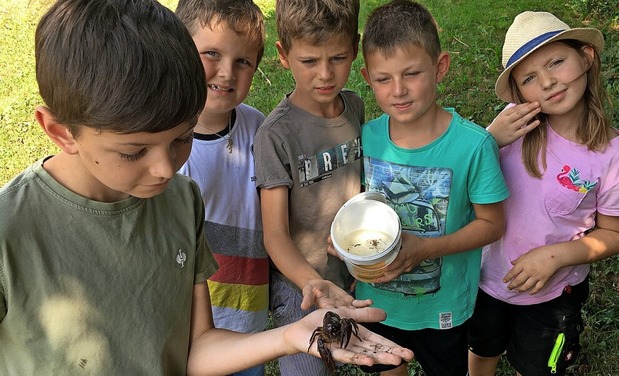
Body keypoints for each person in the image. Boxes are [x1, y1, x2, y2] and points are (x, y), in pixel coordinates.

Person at [0, 0, 417, 374]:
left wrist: (288, 337)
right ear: (61, 131)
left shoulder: (181, 200)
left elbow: (197, 348)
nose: (165, 168)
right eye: (134, 151)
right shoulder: (10, 232)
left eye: (182, 139)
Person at [467, 11, 619, 376]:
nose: (547, 82)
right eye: (529, 78)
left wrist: (554, 256)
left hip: (551, 295)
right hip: (485, 277)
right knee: (482, 346)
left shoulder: (616, 157)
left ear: (587, 56)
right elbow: (461, 178)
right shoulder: (512, 126)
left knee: (536, 365)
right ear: (519, 93)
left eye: (556, 62)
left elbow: (616, 232)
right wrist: (488, 141)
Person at [346, 1, 510, 375]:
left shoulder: (474, 145)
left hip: (444, 309)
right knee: (387, 367)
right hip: (377, 302)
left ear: (440, 67)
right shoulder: (365, 139)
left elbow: (493, 224)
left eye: (412, 73)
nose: (398, 90)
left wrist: (427, 249)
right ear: (367, 77)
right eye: (383, 78)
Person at [252, 0, 367, 374]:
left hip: (351, 273)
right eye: (309, 61)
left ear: (355, 46)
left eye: (338, 57)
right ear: (284, 55)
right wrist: (313, 284)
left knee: (346, 357)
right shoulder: (276, 135)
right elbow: (276, 236)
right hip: (299, 287)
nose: (325, 74)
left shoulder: (355, 107)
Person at [175, 1, 268, 375]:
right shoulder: (165, 147)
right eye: (211, 54)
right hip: (189, 327)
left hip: (248, 317)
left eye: (243, 61)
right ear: (180, 48)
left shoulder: (261, 128)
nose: (227, 73)